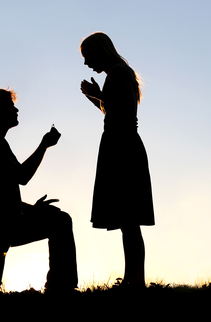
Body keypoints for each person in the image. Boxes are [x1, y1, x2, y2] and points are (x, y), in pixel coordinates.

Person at [0, 88, 78, 294]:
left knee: (59, 220)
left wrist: (31, 209)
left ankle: (61, 287)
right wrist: (44, 145)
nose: (16, 109)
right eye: (10, 105)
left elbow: (2, 192)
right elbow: (21, 177)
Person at [79, 32, 155, 289]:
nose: (87, 63)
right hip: (118, 145)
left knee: (129, 219)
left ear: (101, 50)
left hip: (122, 147)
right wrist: (95, 97)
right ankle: (132, 279)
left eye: (88, 56)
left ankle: (137, 281)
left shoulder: (119, 72)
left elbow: (121, 108)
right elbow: (112, 109)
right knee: (126, 220)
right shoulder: (118, 73)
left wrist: (98, 94)